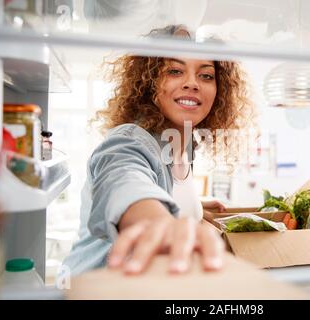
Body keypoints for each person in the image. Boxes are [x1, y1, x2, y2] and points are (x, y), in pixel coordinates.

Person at [63, 25, 257, 276]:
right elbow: (124, 180)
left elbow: (164, 188)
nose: (192, 83)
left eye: (206, 75)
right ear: (150, 82)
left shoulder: (184, 142)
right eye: (175, 71)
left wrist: (193, 207)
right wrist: (160, 224)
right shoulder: (129, 141)